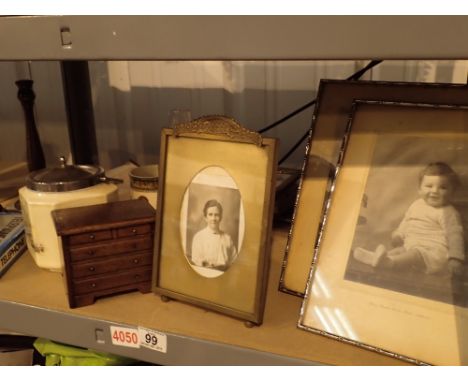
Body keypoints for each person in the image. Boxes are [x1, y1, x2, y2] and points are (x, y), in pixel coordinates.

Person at [353, 162, 465, 276]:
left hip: (433, 253)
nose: (435, 191)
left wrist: (455, 258)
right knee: (400, 251)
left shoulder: (448, 212)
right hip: (411, 245)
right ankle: (377, 258)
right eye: (429, 186)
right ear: (419, 189)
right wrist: (399, 234)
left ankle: (389, 263)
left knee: (414, 254)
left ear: (452, 193)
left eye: (443, 187)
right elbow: (407, 221)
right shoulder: (416, 204)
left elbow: (455, 235)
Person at [191, 199, 237, 270]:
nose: (213, 218)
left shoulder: (227, 239)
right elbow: (196, 263)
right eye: (210, 214)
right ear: (205, 218)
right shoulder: (198, 237)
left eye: (216, 215)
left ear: (221, 217)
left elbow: (235, 262)